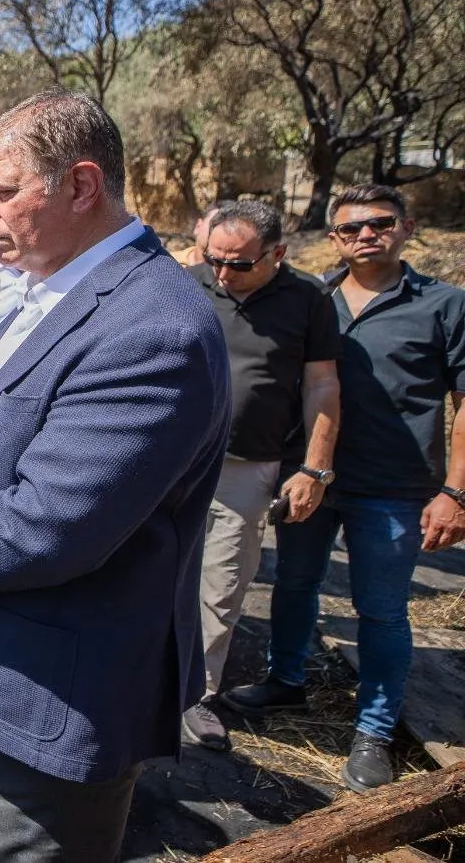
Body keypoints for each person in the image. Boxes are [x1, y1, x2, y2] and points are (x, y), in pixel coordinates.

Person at [0, 87, 230, 863]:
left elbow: (50, 524)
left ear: (81, 186)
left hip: (54, 694)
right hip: (1, 675)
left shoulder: (152, 328)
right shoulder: (53, 285)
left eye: (0, 191)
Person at [221, 184, 465, 792]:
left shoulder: (443, 305)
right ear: (333, 238)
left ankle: (374, 731)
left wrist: (455, 493)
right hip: (307, 477)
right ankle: (286, 681)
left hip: (395, 484)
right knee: (295, 585)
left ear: (406, 228)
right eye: (351, 228)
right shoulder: (311, 296)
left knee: (381, 610)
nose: (366, 235)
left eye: (380, 223)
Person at [181, 201, 341, 752]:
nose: (224, 274)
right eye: (214, 259)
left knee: (223, 582)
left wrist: (314, 469)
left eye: (240, 264)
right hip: (171, 461)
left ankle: (196, 694)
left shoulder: (308, 301)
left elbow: (321, 386)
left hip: (247, 466)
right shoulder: (186, 282)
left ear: (278, 253)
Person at [173, 202, 229, 267]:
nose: (219, 233)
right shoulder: (168, 261)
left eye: (226, 229)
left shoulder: (232, 274)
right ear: (198, 226)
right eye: (215, 224)